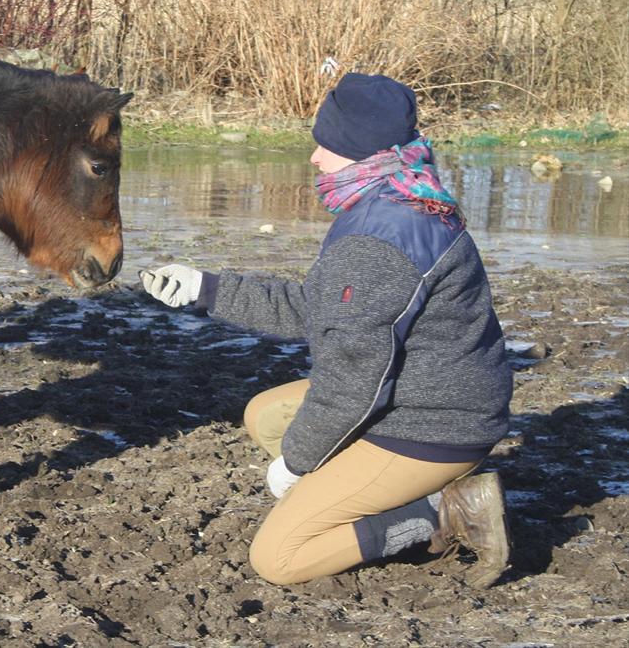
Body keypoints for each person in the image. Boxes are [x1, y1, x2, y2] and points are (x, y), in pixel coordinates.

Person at [140, 73, 512, 588]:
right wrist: (206, 289)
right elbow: (318, 310)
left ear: (363, 153)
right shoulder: (402, 199)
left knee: (279, 559)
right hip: (434, 398)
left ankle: (442, 514)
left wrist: (298, 463)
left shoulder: (377, 238)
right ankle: (369, 497)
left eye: (329, 145)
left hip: (432, 426)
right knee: (266, 416)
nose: (315, 157)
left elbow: (353, 379)